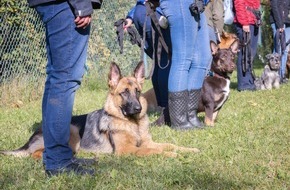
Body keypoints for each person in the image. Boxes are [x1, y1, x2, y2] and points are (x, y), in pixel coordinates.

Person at [27, 0, 99, 176]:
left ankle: (56, 155)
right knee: (64, 79)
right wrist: (82, 3)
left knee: (56, 77)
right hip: (66, 5)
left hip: (57, 4)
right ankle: (58, 161)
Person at [159, 0, 212, 130]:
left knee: (202, 59)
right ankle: (179, 120)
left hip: (198, 3)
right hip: (180, 3)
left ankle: (190, 115)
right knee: (182, 58)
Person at [124, 0, 172, 126]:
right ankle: (167, 107)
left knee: (158, 63)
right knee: (165, 62)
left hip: (141, 11)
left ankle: (162, 106)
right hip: (157, 13)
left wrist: (130, 16)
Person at [233, 0, 261, 91]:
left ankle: (249, 80)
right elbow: (239, 3)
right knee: (244, 53)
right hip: (245, 23)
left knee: (251, 53)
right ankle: (244, 84)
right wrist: (244, 22)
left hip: (253, 21)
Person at [269, 0, 290, 84]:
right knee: (278, 49)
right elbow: (275, 7)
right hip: (277, 22)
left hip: (287, 22)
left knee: (285, 49)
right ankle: (274, 75)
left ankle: (281, 75)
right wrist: (280, 24)